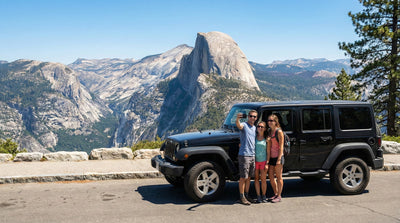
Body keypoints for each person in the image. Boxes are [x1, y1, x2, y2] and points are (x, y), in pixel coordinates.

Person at [236, 110, 258, 205]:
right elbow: (239, 126)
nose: (252, 118)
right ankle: (242, 197)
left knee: (249, 177)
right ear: (248, 116)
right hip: (244, 155)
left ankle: (247, 195)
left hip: (252, 155)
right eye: (251, 116)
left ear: (256, 118)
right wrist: (237, 119)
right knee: (243, 177)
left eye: (254, 117)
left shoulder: (255, 128)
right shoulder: (244, 125)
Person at [266, 114, 285, 203]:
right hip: (272, 157)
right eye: (268, 121)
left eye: (271, 121)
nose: (269, 122)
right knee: (270, 176)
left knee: (279, 176)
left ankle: (279, 196)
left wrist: (279, 158)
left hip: (278, 157)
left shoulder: (279, 132)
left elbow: (281, 146)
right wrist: (268, 159)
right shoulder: (270, 131)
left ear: (275, 122)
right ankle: (275, 193)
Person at [254, 121, 268, 203]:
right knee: (256, 179)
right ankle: (258, 196)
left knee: (263, 179)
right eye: (258, 126)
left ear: (265, 129)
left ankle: (264, 195)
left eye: (262, 127)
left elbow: (268, 152)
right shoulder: (254, 137)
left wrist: (267, 163)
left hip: (263, 161)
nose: (260, 128)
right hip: (256, 161)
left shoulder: (267, 139)